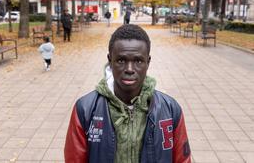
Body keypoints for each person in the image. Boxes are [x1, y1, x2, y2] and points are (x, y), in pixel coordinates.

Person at [64, 24, 191, 163]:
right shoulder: (85, 109)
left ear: (148, 62)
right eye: (121, 60)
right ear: (110, 61)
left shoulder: (171, 109)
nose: (129, 69)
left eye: (138, 61)